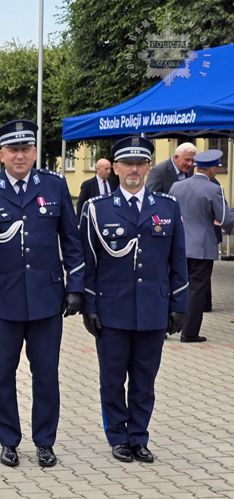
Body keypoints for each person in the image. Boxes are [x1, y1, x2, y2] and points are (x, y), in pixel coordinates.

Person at [0, 119, 84, 469]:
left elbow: (72, 242)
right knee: (2, 374)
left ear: (34, 152)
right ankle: (8, 440)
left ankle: (45, 441)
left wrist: (76, 287)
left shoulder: (54, 186)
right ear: (1, 155)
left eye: (26, 149)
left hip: (47, 298)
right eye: (13, 150)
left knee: (46, 374)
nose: (20, 156)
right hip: (2, 300)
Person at [81, 136, 188, 463]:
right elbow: (88, 263)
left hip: (153, 308)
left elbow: (178, 260)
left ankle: (139, 436)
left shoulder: (167, 207)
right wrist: (89, 305)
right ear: (115, 168)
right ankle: (118, 436)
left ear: (148, 167)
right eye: (127, 163)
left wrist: (179, 304)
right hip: (112, 309)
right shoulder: (97, 209)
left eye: (140, 164)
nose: (134, 170)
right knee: (113, 379)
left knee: (144, 380)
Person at [169, 149, 234, 343]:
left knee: (174, 285)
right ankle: (189, 333)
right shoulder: (214, 189)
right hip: (202, 247)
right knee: (197, 290)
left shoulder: (176, 186)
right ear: (212, 169)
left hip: (178, 245)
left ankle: (165, 327)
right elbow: (225, 219)